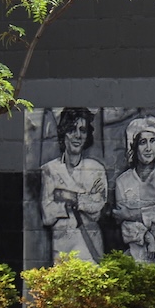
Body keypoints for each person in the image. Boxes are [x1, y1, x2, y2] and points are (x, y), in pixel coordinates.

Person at [39, 107, 107, 262]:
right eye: (72, 129)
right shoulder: (50, 170)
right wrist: (83, 199)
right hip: (62, 248)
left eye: (82, 130)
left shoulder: (96, 169)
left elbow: (97, 208)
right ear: (64, 133)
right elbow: (47, 215)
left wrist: (68, 196)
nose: (77, 135)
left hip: (90, 247)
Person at [113, 117, 155, 265]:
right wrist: (147, 236)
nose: (148, 148)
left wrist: (135, 214)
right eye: (143, 142)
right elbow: (124, 223)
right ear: (134, 146)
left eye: (152, 141)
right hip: (135, 255)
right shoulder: (122, 182)